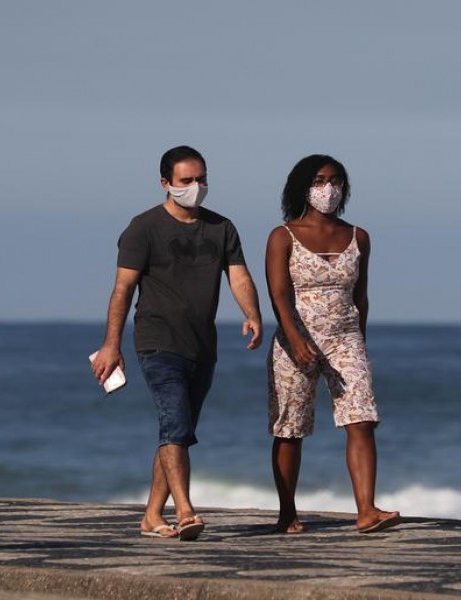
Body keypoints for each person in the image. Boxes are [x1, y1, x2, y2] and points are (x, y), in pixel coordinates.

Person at [92, 145, 263, 540]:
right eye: (186, 181)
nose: (196, 187)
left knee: (178, 431)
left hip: (203, 346)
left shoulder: (222, 228)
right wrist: (111, 345)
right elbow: (122, 289)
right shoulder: (143, 228)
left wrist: (252, 314)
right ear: (165, 183)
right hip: (157, 341)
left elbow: (238, 276)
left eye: (201, 179)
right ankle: (185, 510)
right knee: (175, 424)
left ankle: (152, 515)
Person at [266, 154, 399, 534]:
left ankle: (367, 510)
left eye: (336, 180)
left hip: (345, 338)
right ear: (304, 187)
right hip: (296, 339)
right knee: (290, 427)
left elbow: (362, 297)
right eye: (320, 180)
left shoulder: (358, 236)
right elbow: (278, 294)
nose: (329, 188)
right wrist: (294, 338)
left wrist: (360, 344)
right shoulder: (282, 235)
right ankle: (287, 512)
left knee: (361, 418)